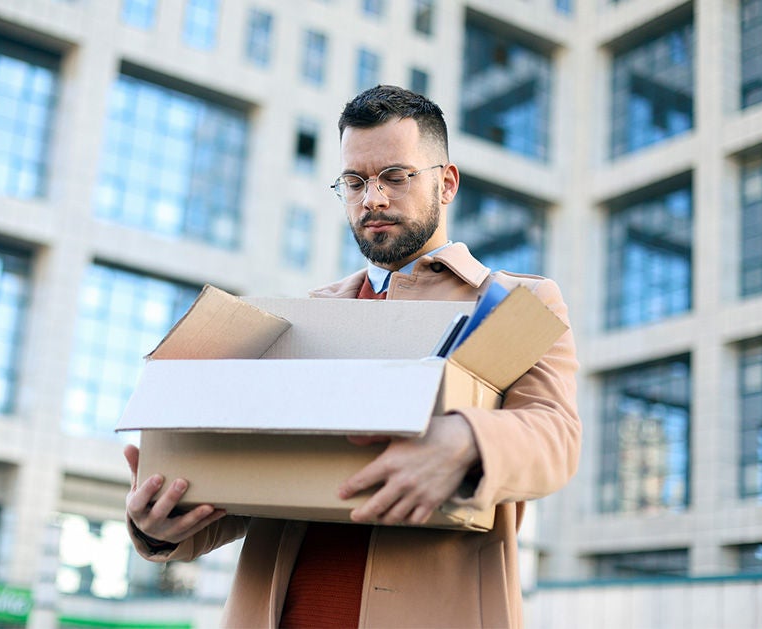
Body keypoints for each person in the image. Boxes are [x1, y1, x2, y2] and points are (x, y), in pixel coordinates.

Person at [124, 85, 581, 628]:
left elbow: (556, 436)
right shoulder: (303, 319)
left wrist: (467, 439)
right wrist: (163, 522)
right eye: (355, 182)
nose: (373, 200)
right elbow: (257, 479)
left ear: (447, 182)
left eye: (395, 176)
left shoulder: (514, 304)